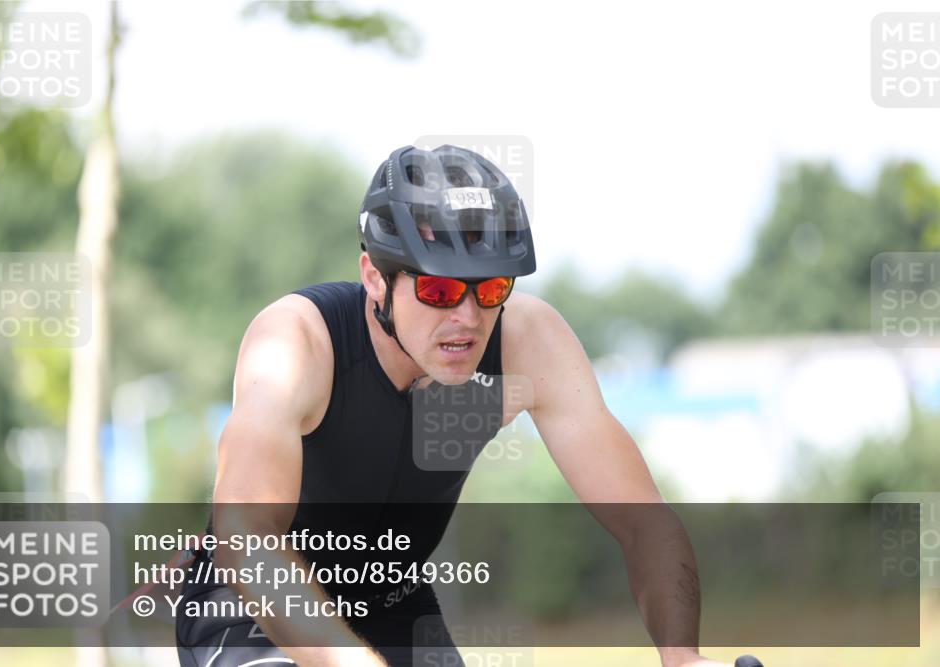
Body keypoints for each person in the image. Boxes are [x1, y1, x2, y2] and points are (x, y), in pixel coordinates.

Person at [175, 144, 749, 667]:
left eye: (492, 288)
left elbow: (642, 520)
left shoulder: (528, 342)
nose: (468, 319)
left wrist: (683, 657)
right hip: (252, 607)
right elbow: (245, 537)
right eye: (440, 291)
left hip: (396, 603)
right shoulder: (297, 342)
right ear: (375, 277)